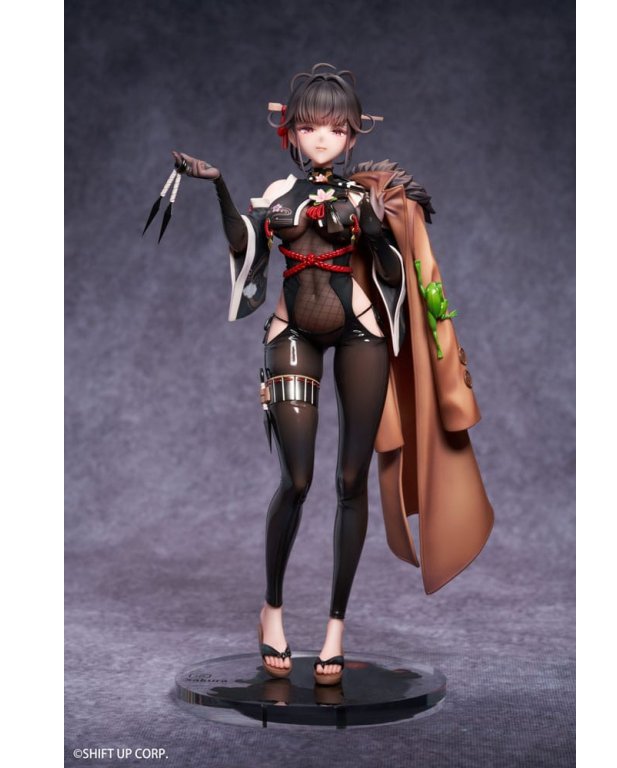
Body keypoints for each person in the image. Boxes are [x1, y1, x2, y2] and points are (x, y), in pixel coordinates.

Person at [170, 63, 493, 687]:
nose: (322, 138)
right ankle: (271, 609)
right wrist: (219, 185)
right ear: (290, 130)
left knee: (351, 480)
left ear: (352, 135)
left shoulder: (366, 196)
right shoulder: (278, 193)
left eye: (336, 128)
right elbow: (244, 246)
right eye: (311, 126)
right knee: (296, 479)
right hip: (292, 332)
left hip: (360, 331)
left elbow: (396, 274)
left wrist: (371, 225)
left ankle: (335, 630)